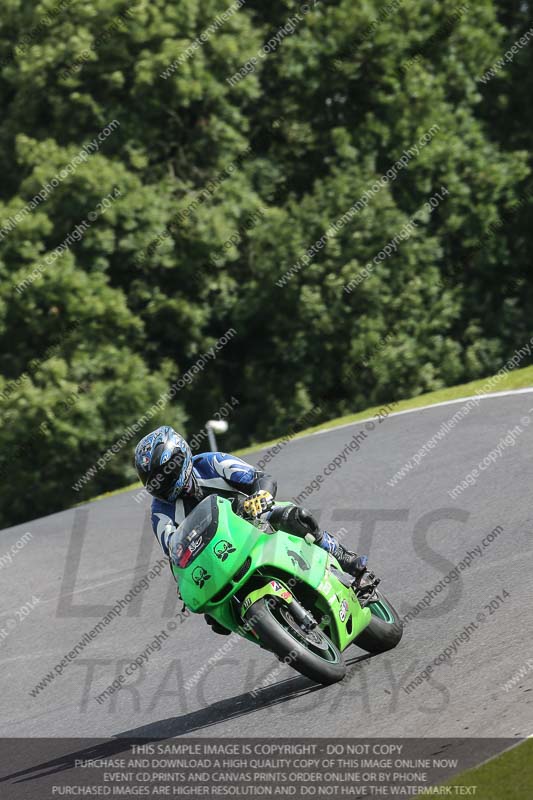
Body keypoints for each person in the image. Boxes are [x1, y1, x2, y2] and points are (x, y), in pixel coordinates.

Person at [134, 426, 370, 631]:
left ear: (181, 456)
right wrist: (184, 584)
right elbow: (173, 552)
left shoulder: (210, 463)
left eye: (165, 474)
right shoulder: (160, 513)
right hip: (216, 557)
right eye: (153, 480)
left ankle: (343, 557)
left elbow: (259, 477)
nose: (161, 483)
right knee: (214, 617)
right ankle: (269, 634)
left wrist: (261, 495)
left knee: (295, 516)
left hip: (254, 520)